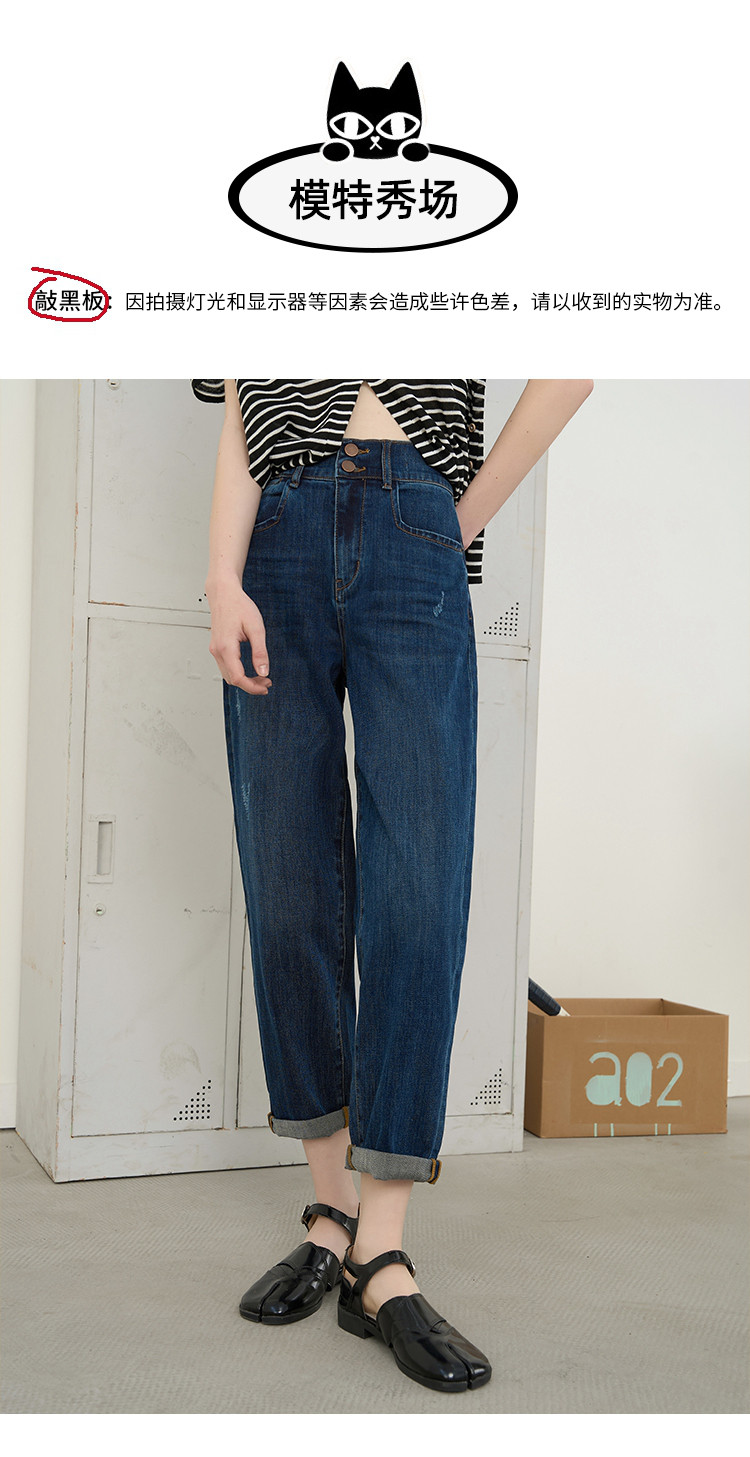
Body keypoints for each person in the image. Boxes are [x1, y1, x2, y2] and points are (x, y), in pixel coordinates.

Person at [197, 378, 593, 1394]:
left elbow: (571, 366)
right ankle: (330, 1211)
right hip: (275, 538)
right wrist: (221, 575)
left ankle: (382, 1248)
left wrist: (450, 519)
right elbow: (241, 399)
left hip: (416, 522)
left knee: (418, 897)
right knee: (287, 885)